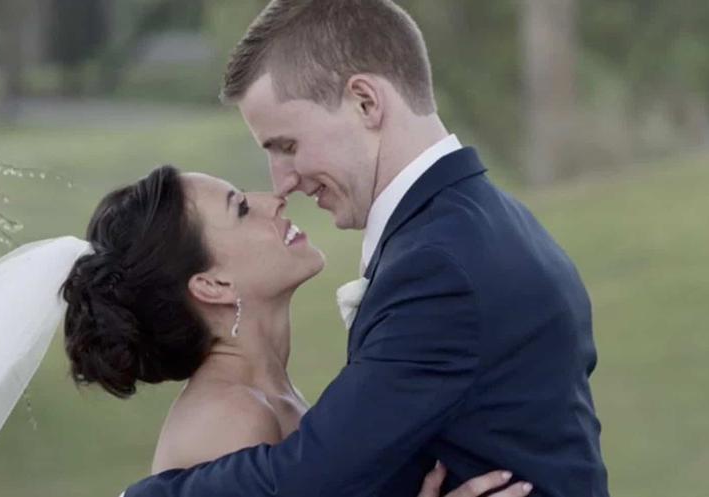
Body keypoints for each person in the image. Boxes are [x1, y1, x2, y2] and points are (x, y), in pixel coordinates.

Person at [123, 0, 609, 496]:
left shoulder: (437, 266)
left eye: (287, 145)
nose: (282, 183)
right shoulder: (484, 223)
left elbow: (315, 476)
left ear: (365, 103)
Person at [61, 165, 528, 497]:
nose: (274, 199)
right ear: (213, 285)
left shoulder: (267, 394)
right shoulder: (227, 419)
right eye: (241, 208)